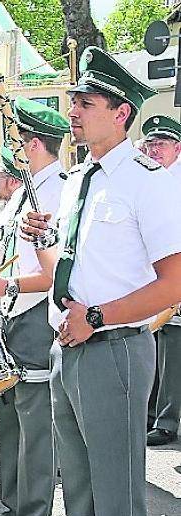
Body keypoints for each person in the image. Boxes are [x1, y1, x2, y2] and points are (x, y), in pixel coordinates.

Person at [22, 46, 181, 516]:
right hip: (67, 346)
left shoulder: (148, 181)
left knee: (116, 500)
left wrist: (95, 318)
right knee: (80, 493)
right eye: (74, 101)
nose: (73, 111)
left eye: (86, 103)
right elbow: (69, 270)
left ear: (121, 113)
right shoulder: (77, 180)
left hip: (114, 348)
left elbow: (174, 283)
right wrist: (41, 240)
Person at [0, 102, 68, 516]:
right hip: (6, 313)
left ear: (34, 144)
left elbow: (56, 274)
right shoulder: (24, 191)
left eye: (19, 142)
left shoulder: (58, 192)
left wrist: (9, 285)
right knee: (8, 419)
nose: (14, 150)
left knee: (36, 429)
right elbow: (14, 253)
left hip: (34, 315)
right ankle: (12, 510)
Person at [138, 114, 181, 447]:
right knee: (153, 345)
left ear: (177, 148)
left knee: (172, 350)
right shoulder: (149, 179)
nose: (155, 150)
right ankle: (152, 415)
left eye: (162, 144)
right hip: (149, 278)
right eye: (150, 144)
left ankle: (166, 420)